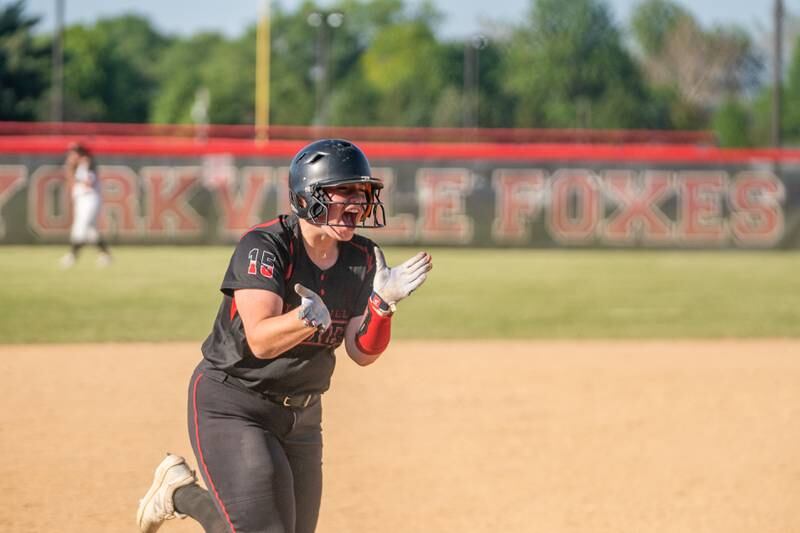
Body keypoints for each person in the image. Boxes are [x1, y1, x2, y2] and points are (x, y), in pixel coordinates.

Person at [136, 139, 433, 533]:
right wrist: (306, 319)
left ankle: (179, 493)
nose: (357, 203)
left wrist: (381, 305)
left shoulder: (361, 257)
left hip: (304, 415)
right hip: (235, 403)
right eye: (344, 191)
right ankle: (180, 494)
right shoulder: (266, 246)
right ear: (309, 195)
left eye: (362, 193)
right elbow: (260, 339)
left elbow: (361, 352)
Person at [59, 142, 112, 268]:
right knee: (91, 231)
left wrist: (73, 171)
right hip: (82, 200)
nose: (71, 156)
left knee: (81, 226)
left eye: (74, 153)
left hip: (89, 199)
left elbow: (88, 182)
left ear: (80, 154)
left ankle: (72, 256)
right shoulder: (79, 166)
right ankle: (106, 255)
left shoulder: (87, 163)